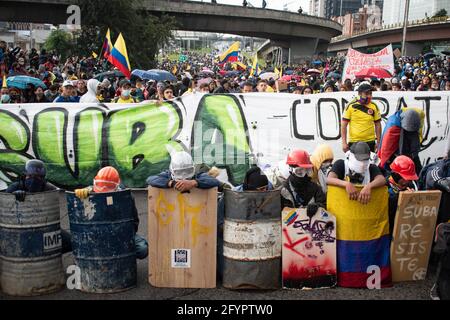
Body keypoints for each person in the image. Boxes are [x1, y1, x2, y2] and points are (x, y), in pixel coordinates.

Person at [74, 166, 148, 260]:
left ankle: (122, 258)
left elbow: (134, 222)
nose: (103, 190)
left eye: (107, 187)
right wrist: (84, 193)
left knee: (142, 249)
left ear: (117, 186)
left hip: (121, 234)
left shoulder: (126, 197)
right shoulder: (90, 193)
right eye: (101, 185)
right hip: (97, 235)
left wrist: (120, 235)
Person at [4, 159, 72, 254]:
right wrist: (13, 196)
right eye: (30, 176)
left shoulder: (49, 188)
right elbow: (5, 206)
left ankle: (48, 257)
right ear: (24, 176)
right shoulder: (16, 187)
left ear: (43, 178)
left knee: (71, 242)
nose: (34, 180)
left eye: (38, 177)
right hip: (19, 230)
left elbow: (61, 193)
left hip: (45, 229)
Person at [280, 150, 326, 216]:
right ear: (291, 170)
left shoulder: (315, 188)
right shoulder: (284, 191)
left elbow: (324, 205)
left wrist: (317, 206)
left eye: (307, 171)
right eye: (299, 172)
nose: (304, 175)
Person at [147, 151, 221, 192]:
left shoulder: (197, 176)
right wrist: (172, 183)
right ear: (172, 170)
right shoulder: (168, 175)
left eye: (188, 171)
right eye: (179, 172)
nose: (184, 176)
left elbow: (215, 182)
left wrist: (194, 182)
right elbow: (150, 179)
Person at [378, 108, 423, 174]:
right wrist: (384, 160)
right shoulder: (393, 126)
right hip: (396, 153)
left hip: (406, 147)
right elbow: (386, 146)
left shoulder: (417, 117)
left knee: (416, 166)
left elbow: (415, 139)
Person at [341, 82, 382, 153]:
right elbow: (343, 125)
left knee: (370, 163)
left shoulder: (374, 106)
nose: (369, 96)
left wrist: (379, 142)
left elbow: (378, 125)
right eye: (366, 94)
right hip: (354, 142)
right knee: (355, 164)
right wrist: (344, 143)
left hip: (370, 142)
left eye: (370, 94)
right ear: (359, 94)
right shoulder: (350, 105)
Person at [386, 155, 419, 234]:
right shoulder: (384, 185)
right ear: (395, 174)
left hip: (406, 229)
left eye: (409, 179)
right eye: (404, 178)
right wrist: (402, 197)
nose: (406, 182)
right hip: (389, 229)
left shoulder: (411, 186)